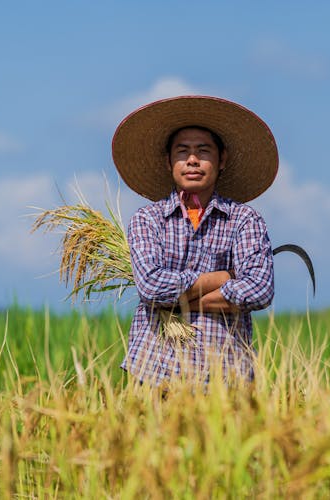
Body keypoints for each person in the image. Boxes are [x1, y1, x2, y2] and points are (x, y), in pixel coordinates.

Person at [111, 95, 278, 385]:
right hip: (155, 370)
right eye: (182, 151)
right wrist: (225, 277)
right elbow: (151, 287)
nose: (192, 160)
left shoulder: (244, 220)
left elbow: (260, 290)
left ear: (221, 159)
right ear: (168, 161)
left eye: (203, 151)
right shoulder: (148, 220)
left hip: (226, 374)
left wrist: (173, 301)